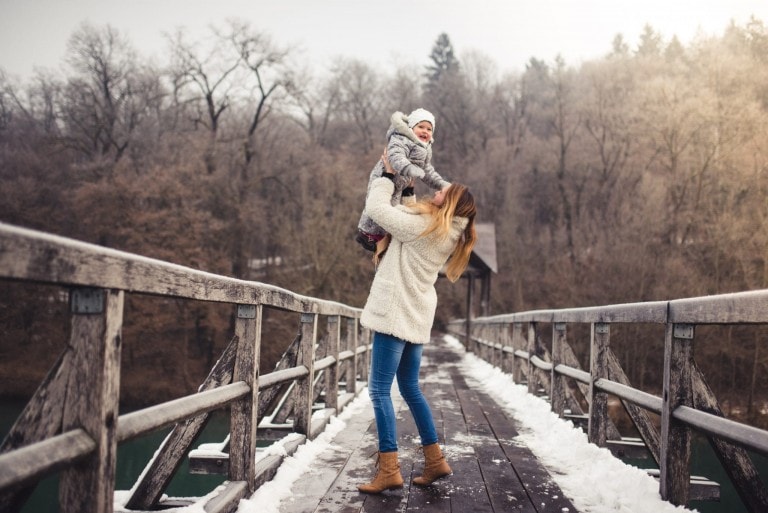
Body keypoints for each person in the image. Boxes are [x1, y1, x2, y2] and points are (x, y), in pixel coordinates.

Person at [357, 152, 477, 494]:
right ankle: (436, 460)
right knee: (410, 387)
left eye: (443, 190)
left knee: (379, 390)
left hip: (396, 311)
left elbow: (380, 211)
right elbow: (408, 217)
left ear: (450, 202)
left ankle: (389, 469)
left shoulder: (427, 228)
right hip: (417, 314)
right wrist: (407, 190)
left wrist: (386, 174)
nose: (437, 189)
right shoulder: (447, 231)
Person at [355, 108, 451, 257]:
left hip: (401, 183)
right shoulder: (401, 138)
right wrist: (410, 169)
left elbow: (427, 171)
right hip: (385, 176)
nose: (425, 131)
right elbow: (395, 157)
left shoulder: (425, 148)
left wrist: (441, 184)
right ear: (411, 128)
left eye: (429, 129)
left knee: (392, 211)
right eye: (421, 127)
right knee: (377, 205)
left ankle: (379, 238)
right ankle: (366, 233)